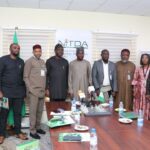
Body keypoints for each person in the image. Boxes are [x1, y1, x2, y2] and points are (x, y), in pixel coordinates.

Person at [0, 43, 28, 144]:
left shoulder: (21, 61)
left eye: (18, 48)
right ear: (10, 49)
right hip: (5, 94)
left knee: (18, 114)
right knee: (3, 115)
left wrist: (24, 93)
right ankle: (1, 134)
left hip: (19, 94)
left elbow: (23, 79)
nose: (17, 49)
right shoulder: (3, 60)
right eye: (15, 48)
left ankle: (18, 132)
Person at [24, 44, 46, 139]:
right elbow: (25, 77)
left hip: (42, 91)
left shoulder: (43, 62)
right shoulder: (29, 62)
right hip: (33, 92)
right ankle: (32, 131)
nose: (38, 53)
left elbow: (44, 75)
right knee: (33, 112)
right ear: (33, 52)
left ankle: (38, 127)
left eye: (39, 51)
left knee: (39, 111)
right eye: (36, 51)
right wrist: (31, 89)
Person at [132, 54, 150, 120]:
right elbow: (134, 80)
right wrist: (136, 90)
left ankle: (146, 121)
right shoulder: (138, 68)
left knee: (147, 106)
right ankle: (137, 120)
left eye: (146, 58)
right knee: (138, 105)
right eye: (143, 58)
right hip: (139, 91)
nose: (144, 59)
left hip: (148, 92)